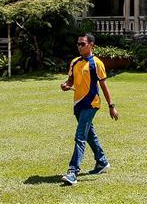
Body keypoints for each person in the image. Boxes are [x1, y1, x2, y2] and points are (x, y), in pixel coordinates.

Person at [60, 33, 118, 186]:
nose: (79, 46)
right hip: (78, 104)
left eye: (82, 44)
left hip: (91, 104)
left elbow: (104, 86)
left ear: (91, 45)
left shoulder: (97, 63)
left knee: (80, 136)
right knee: (89, 134)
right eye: (78, 44)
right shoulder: (74, 62)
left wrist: (111, 106)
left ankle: (73, 172)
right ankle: (102, 161)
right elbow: (71, 80)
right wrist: (66, 85)